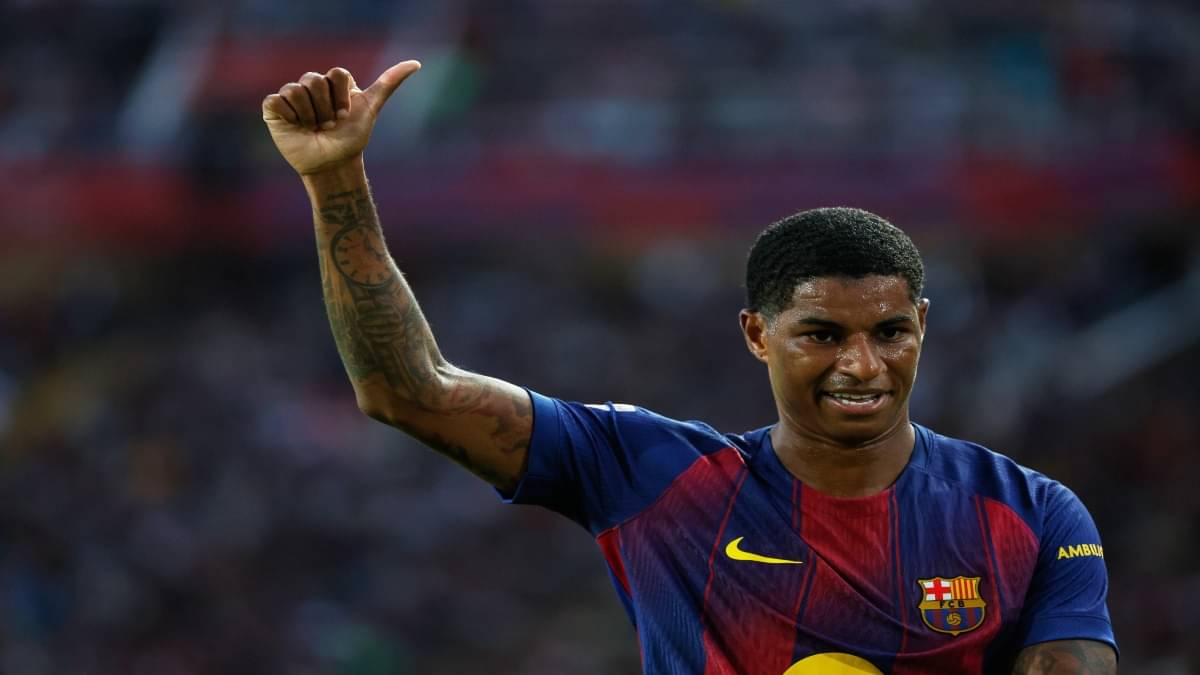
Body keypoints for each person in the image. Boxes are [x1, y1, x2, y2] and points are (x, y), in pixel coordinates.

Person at [262, 62, 1118, 675]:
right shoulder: (651, 470)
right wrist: (337, 179)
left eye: (891, 331)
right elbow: (409, 390)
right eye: (822, 334)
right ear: (757, 334)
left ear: (922, 325)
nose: (863, 363)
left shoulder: (1035, 513)